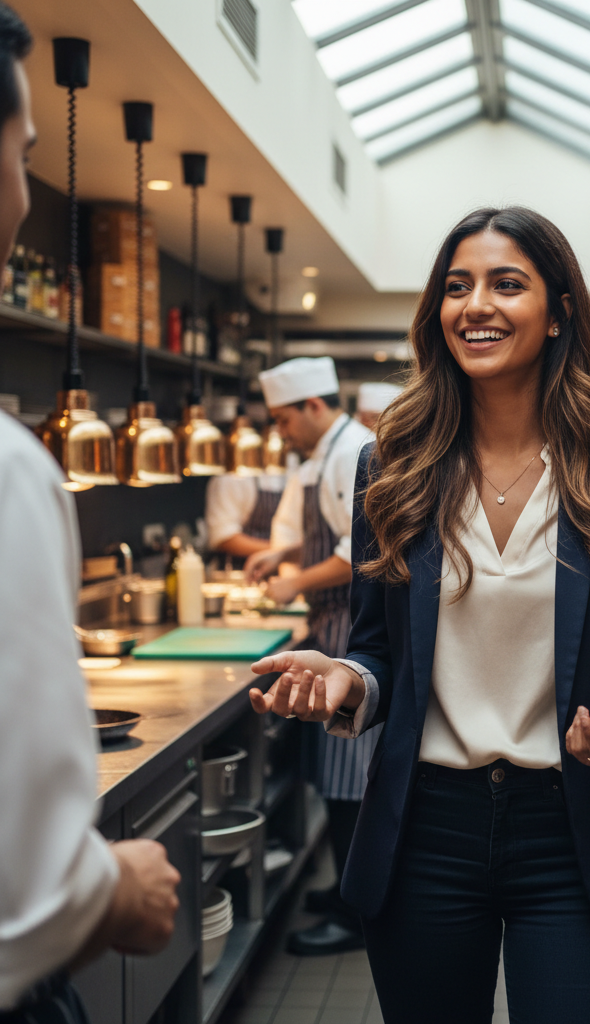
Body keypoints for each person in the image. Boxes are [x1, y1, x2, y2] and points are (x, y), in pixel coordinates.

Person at [247, 207, 590, 1023]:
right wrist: (343, 678)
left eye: (505, 284)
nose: (475, 304)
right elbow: (378, 651)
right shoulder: (393, 466)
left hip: (575, 827)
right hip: (425, 829)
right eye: (457, 287)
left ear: (558, 313)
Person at [0, 7, 180, 1018]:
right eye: (22, 155)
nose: (25, 194)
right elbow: (25, 888)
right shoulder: (11, 470)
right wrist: (118, 883)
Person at [245, 357, 377, 956]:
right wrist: (285, 555)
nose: (279, 432)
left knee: (351, 776)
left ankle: (357, 912)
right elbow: (330, 528)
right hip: (333, 624)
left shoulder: (355, 453)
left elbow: (355, 553)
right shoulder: (331, 453)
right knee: (335, 772)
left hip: (352, 626)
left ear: (314, 407)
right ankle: (346, 888)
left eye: (282, 420)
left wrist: (292, 582)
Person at [205, 472, 287, 559]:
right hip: (237, 567)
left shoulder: (289, 472)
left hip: (283, 567)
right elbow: (225, 538)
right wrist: (282, 551)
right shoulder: (231, 478)